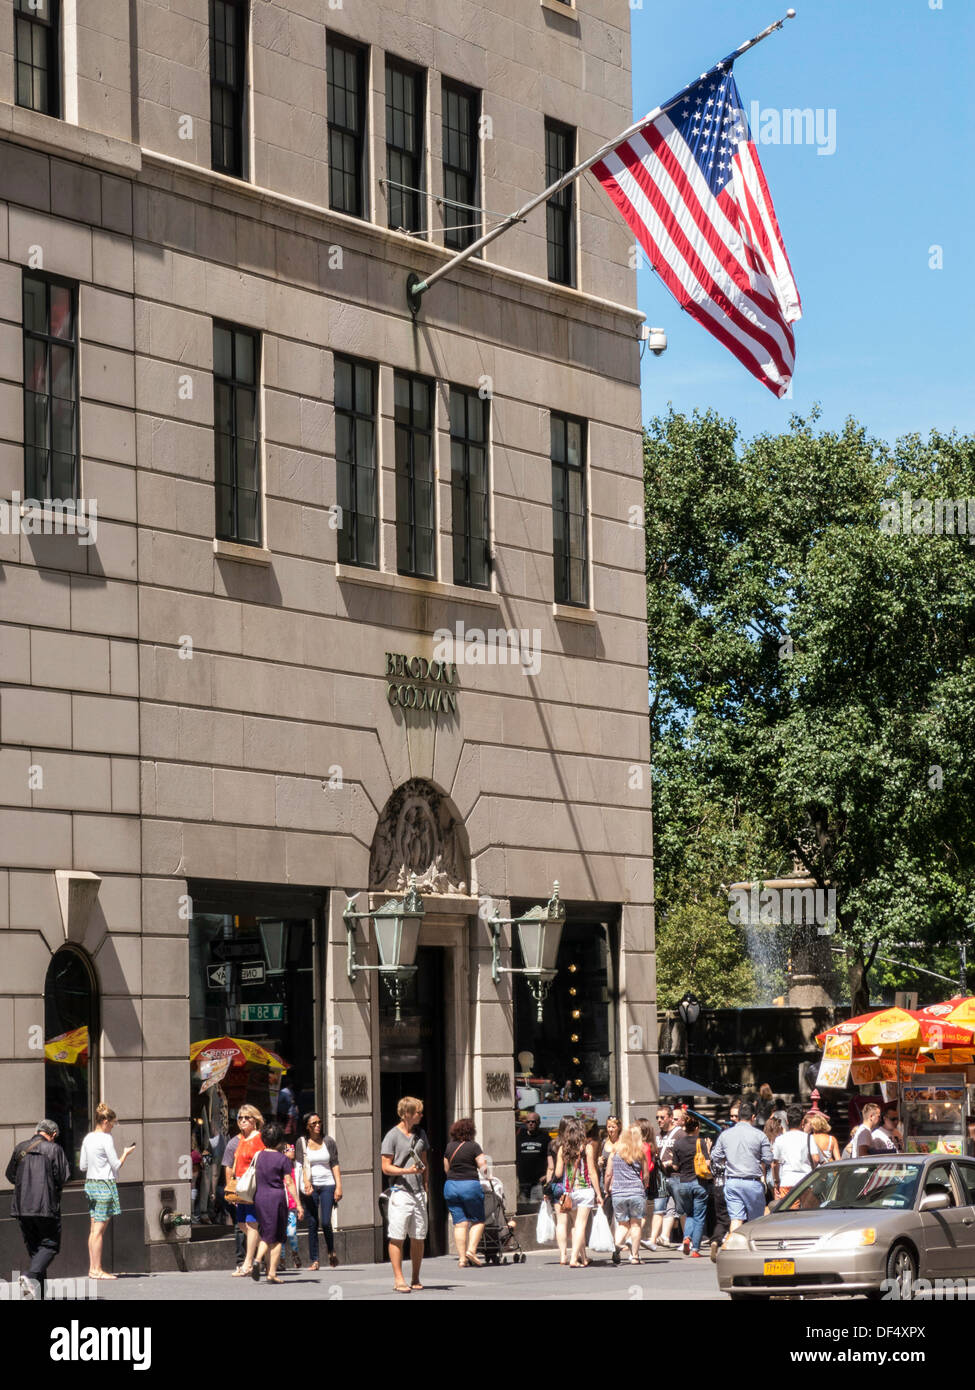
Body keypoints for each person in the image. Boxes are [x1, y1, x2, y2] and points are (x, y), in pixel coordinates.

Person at [5, 1119, 71, 1299]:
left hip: (22, 1208)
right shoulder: (54, 1149)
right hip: (45, 1207)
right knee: (50, 1245)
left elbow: (10, 1175)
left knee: (36, 1251)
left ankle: (39, 1293)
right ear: (53, 1134)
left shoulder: (20, 1148)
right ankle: (29, 1277)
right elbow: (63, 1176)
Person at [79, 1103, 136, 1279]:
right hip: (104, 1185)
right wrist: (126, 1153)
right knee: (99, 1231)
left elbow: (82, 1166)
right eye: (112, 1123)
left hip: (90, 1184)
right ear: (104, 1121)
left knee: (93, 1229)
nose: (112, 1126)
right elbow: (116, 1164)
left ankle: (92, 1269)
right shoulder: (106, 1139)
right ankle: (97, 1270)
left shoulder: (88, 1138)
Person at [381, 1096, 430, 1293]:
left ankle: (416, 1276)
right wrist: (408, 1172)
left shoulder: (421, 1134)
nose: (421, 1115)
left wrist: (426, 1187)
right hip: (400, 1191)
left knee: (419, 1236)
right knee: (397, 1235)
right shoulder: (392, 1136)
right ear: (406, 1114)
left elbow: (425, 1163)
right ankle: (398, 1278)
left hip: (418, 1192)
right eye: (418, 1112)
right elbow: (385, 1167)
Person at [708, 1099, 773, 1239]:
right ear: (753, 1117)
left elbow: (715, 1156)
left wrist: (729, 1159)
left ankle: (730, 1245)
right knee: (755, 1221)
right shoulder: (760, 1135)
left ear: (738, 1116)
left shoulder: (725, 1134)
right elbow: (768, 1159)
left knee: (736, 1219)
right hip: (752, 1182)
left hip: (732, 1182)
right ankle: (752, 1246)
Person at [246, 1123, 299, 1284]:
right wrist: (298, 1203)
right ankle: (265, 1267)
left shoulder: (258, 1156)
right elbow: (289, 1183)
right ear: (279, 1140)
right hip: (276, 1198)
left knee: (267, 1232)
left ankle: (267, 1268)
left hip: (260, 1198)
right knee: (276, 1237)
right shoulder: (282, 1159)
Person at [554, 1117, 604, 1268]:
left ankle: (581, 1256)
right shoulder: (587, 1147)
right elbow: (593, 1172)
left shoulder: (563, 1148)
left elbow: (557, 1173)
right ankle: (574, 1258)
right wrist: (599, 1194)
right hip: (585, 1190)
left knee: (575, 1225)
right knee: (580, 1225)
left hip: (570, 1192)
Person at [296, 1113, 342, 1270]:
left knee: (326, 1221)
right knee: (312, 1222)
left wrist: (339, 1186)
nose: (318, 1125)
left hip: (328, 1183)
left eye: (319, 1122)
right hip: (311, 1186)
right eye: (314, 1123)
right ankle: (315, 1260)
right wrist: (306, 1182)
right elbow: (300, 1165)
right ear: (307, 1127)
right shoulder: (302, 1143)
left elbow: (335, 1163)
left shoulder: (328, 1141)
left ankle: (331, 1250)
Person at [443, 1117, 489, 1267]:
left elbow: (446, 1169)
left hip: (451, 1186)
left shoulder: (449, 1147)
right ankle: (471, 1250)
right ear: (471, 1131)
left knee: (460, 1223)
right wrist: (487, 1173)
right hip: (469, 1185)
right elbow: (483, 1165)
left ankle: (462, 1258)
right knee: (478, 1220)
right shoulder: (474, 1146)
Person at [230, 1104, 266, 1277]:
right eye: (240, 1118)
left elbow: (262, 1163)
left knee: (251, 1225)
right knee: (241, 1224)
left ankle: (248, 1263)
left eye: (247, 1117)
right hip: (240, 1188)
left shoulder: (258, 1138)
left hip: (252, 1187)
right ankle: (268, 1250)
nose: (243, 1120)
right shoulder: (242, 1139)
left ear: (255, 1120)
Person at [606, 1123, 649, 1264]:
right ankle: (635, 1256)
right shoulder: (640, 1153)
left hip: (618, 1193)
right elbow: (646, 1175)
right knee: (636, 1224)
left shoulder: (614, 1152)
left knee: (623, 1224)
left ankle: (617, 1245)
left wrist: (607, 1189)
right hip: (636, 1191)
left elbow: (608, 1174)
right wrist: (643, 1186)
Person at [669, 1113, 711, 1257]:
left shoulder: (678, 1143)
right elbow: (707, 1163)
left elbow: (674, 1166)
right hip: (699, 1183)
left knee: (689, 1214)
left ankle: (687, 1237)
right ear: (697, 1127)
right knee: (699, 1216)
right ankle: (695, 1249)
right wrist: (708, 1151)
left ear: (685, 1127)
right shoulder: (701, 1142)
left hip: (684, 1183)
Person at [647, 1104, 682, 1250]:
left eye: (662, 1117)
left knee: (682, 1209)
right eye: (657, 1118)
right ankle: (654, 1239)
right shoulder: (657, 1135)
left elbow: (685, 1154)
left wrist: (673, 1162)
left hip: (677, 1176)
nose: (659, 1120)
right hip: (661, 1177)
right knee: (660, 1208)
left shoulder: (680, 1134)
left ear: (670, 1118)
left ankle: (688, 1240)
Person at [771, 1104, 818, 1200]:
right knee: (807, 1213)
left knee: (789, 1214)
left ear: (787, 1121)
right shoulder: (809, 1138)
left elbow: (775, 1164)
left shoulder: (780, 1139)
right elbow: (816, 1158)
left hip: (787, 1181)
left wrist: (776, 1182)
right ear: (802, 1122)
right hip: (806, 1181)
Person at [515, 1112, 548, 1207]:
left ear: (539, 1123)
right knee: (523, 1208)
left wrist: (546, 1174)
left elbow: (551, 1157)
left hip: (538, 1182)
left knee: (536, 1208)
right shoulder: (520, 1137)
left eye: (533, 1122)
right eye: (528, 1122)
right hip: (523, 1182)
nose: (530, 1124)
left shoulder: (545, 1137)